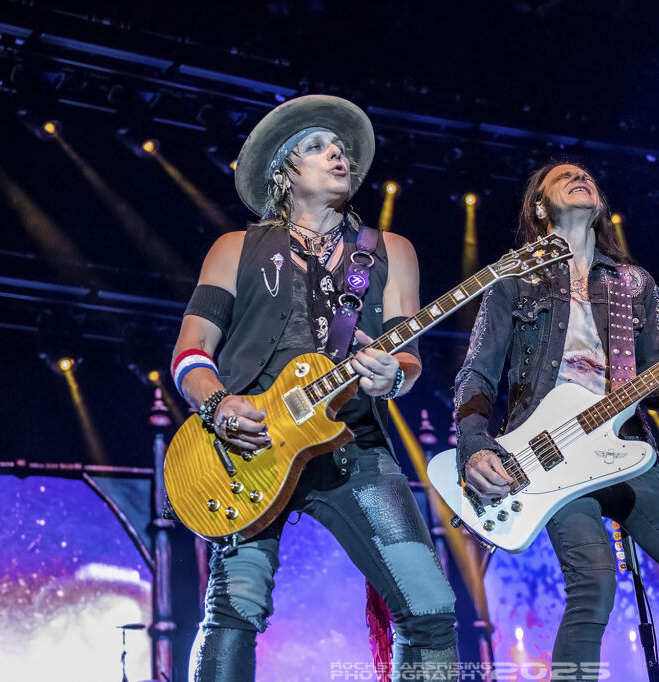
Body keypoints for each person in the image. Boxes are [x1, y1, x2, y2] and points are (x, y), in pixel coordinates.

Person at [171, 95, 457, 681]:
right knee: (234, 610)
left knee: (430, 607)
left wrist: (394, 375)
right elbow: (191, 352)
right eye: (317, 147)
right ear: (284, 172)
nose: (337, 155)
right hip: (249, 446)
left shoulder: (391, 251)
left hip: (354, 445)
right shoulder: (233, 249)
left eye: (341, 149)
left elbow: (408, 358)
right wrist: (220, 405)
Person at [453, 161, 659, 681]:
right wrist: (475, 444)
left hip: (624, 447)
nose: (580, 177)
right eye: (563, 176)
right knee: (594, 585)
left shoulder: (635, 283)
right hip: (551, 453)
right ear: (539, 206)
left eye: (587, 175)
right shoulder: (515, 278)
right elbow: (477, 371)